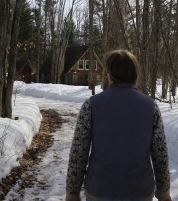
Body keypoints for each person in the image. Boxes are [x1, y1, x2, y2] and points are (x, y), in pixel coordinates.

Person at [66, 50, 171, 201]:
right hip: (140, 191)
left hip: (99, 190)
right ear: (135, 73)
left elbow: (79, 153)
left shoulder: (91, 105)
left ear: (109, 73)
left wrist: (72, 192)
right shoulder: (151, 107)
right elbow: (160, 154)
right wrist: (163, 192)